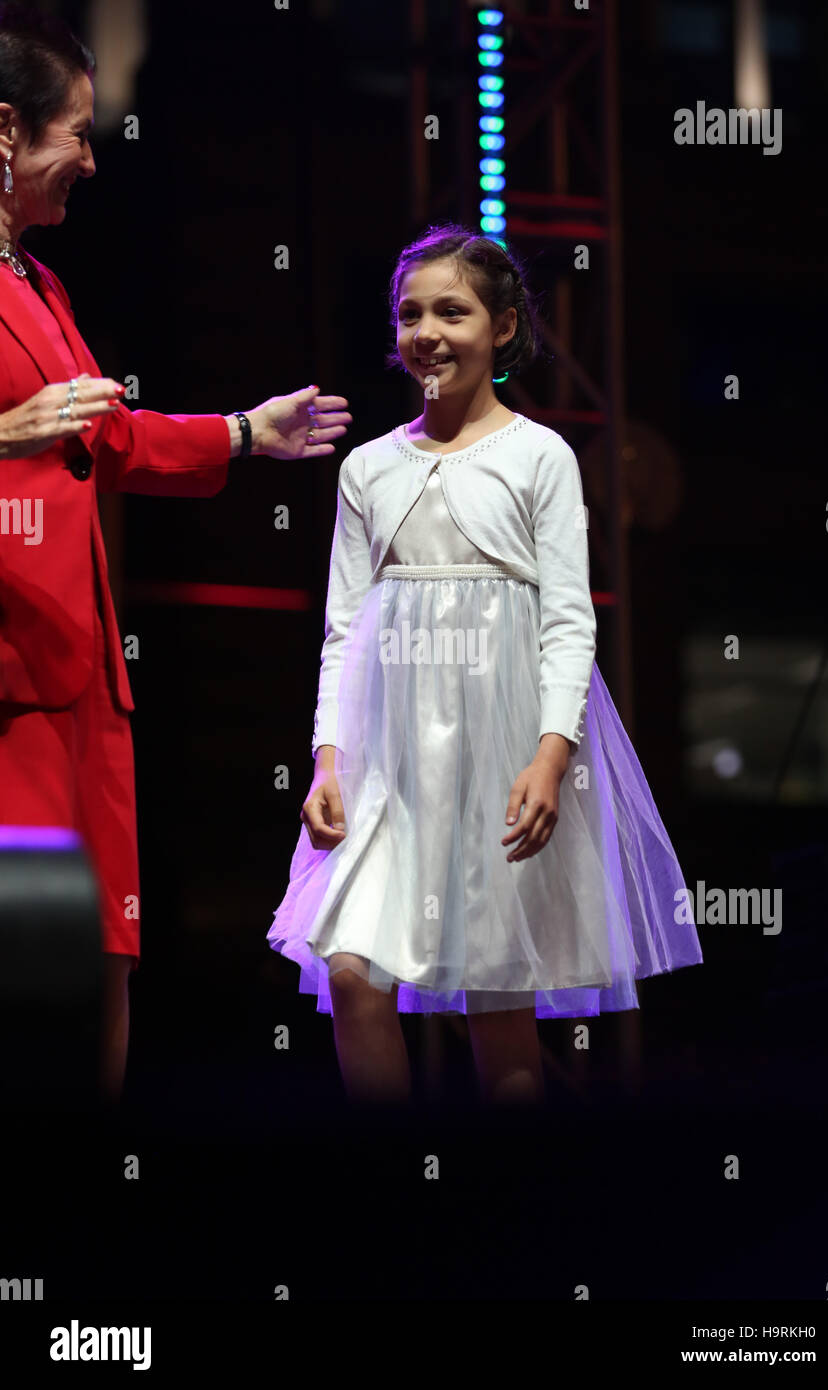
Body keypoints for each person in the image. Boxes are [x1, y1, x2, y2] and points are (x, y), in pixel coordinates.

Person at [0, 3, 351, 1100]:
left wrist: (245, 434)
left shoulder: (40, 286)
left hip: (84, 682)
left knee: (103, 957)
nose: (93, 163)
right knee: (30, 961)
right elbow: (34, 437)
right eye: (76, 134)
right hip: (10, 685)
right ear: (5, 130)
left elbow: (107, 437)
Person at [268, 224, 702, 1106]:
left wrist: (551, 756)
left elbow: (568, 622)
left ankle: (508, 1213)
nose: (427, 331)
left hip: (501, 754)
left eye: (452, 311)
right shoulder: (368, 469)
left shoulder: (538, 455)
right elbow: (345, 627)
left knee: (496, 1003)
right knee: (351, 969)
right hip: (388, 761)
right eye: (410, 313)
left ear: (502, 327)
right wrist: (325, 758)